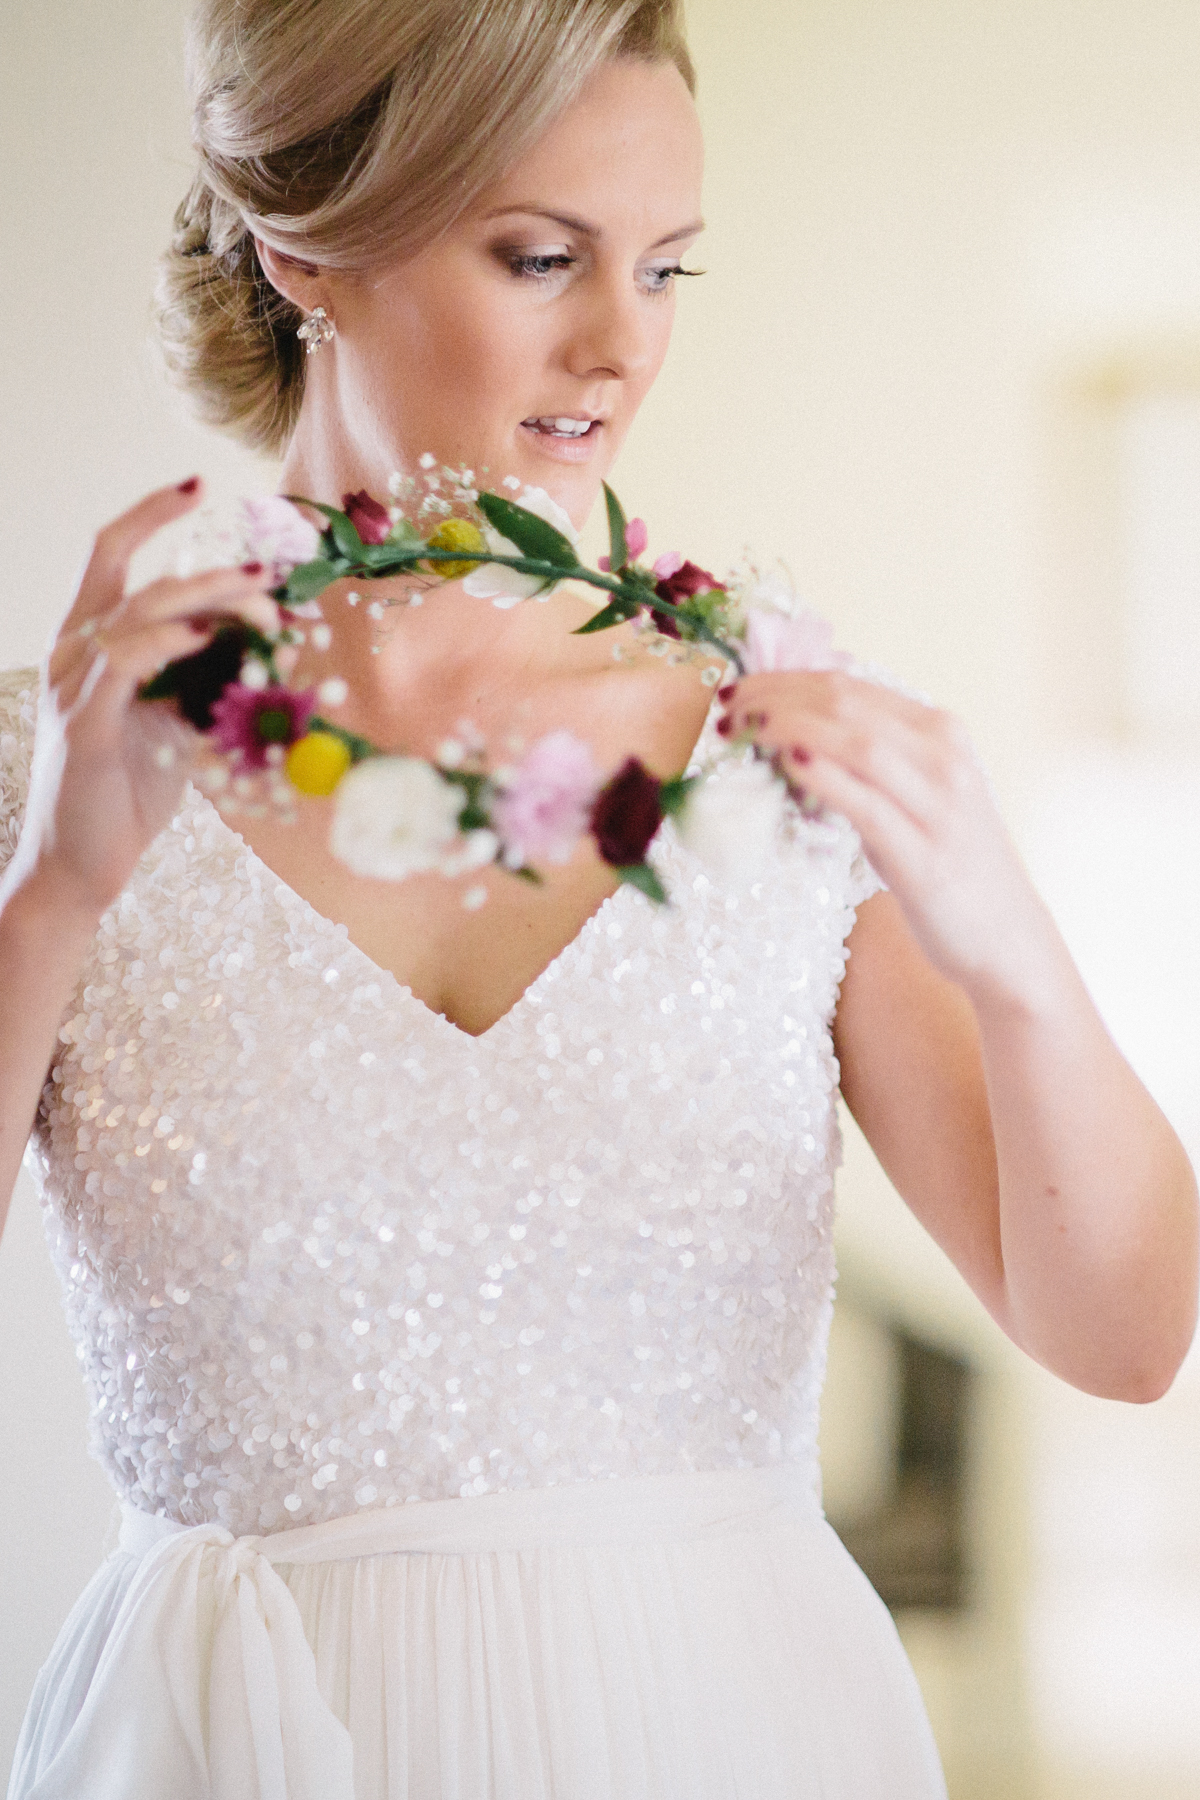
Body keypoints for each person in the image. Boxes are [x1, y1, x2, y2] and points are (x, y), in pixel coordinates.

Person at [1, 0, 1196, 1794]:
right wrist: (53, 897)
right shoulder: (61, 760)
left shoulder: (778, 747)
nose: (616, 346)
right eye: (542, 255)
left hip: (727, 1729)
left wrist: (1014, 953)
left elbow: (1125, 1337)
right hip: (231, 1745)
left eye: (666, 271)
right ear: (302, 247)